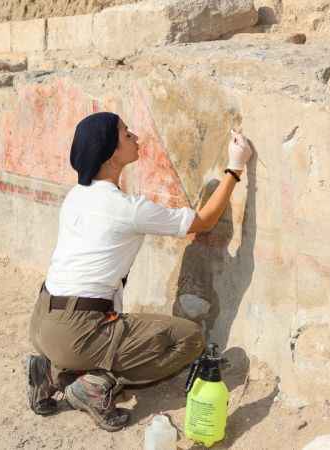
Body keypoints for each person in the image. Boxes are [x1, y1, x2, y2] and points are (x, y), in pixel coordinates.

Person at [25, 111, 253, 431]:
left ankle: (51, 373)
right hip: (76, 330)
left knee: (111, 334)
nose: (135, 137)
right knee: (189, 339)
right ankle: (92, 385)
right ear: (110, 152)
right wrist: (235, 167)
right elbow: (204, 222)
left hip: (42, 321)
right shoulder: (126, 209)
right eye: (126, 134)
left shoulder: (76, 196)